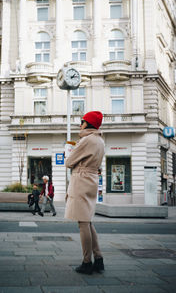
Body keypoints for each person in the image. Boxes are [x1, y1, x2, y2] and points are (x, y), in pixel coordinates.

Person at [65, 111, 105, 275]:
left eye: (82, 121)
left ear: (88, 123)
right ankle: (99, 258)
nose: (80, 124)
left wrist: (70, 150)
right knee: (87, 221)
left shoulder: (86, 140)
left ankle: (87, 262)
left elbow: (68, 162)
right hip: (92, 179)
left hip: (81, 179)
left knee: (83, 223)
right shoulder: (100, 140)